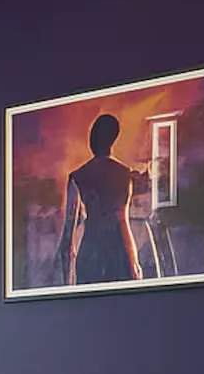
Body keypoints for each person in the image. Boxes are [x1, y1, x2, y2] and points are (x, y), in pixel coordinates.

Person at [54, 113, 146, 286]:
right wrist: (134, 262)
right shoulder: (124, 174)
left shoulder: (78, 176)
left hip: (90, 252)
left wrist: (67, 280)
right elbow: (123, 222)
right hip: (118, 253)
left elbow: (68, 232)